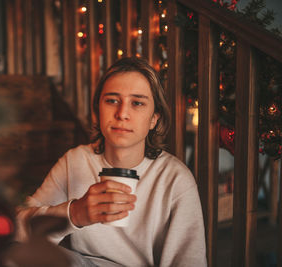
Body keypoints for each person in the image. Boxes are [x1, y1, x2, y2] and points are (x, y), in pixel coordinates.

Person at [15, 57, 207, 266]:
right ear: (98, 111)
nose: (122, 113)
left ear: (154, 119)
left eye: (137, 103)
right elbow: (16, 228)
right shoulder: (75, 161)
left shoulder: (175, 179)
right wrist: (75, 213)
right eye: (112, 100)